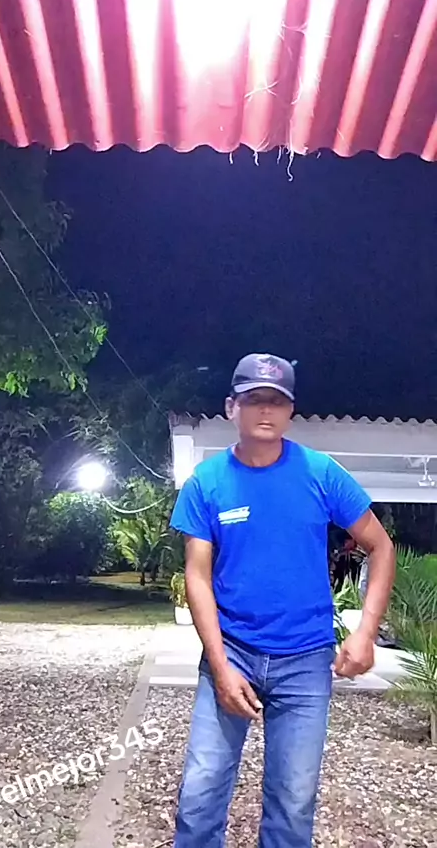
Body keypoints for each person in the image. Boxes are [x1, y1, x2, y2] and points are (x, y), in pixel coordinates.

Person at [170, 352, 396, 848]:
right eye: (253, 399)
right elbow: (197, 576)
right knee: (200, 794)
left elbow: (381, 547)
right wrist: (220, 666)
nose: (265, 410)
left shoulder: (320, 473)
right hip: (232, 652)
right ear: (231, 407)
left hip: (306, 661)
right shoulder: (207, 482)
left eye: (276, 400)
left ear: (291, 410)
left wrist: (365, 633)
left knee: (293, 804)